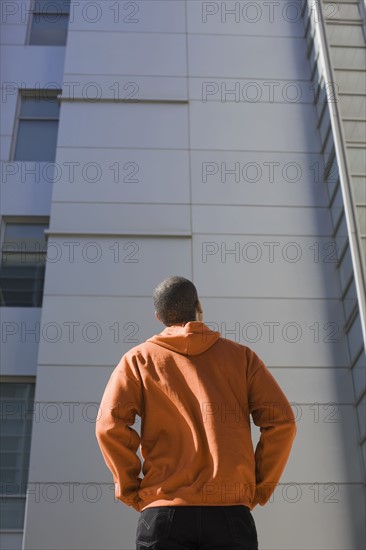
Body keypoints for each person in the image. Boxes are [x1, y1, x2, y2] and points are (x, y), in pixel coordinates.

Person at [96, 276, 297, 550]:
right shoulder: (242, 357)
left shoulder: (138, 359)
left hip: (163, 511)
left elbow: (109, 426)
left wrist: (130, 489)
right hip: (230, 511)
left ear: (158, 316)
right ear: (198, 306)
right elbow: (282, 423)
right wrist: (259, 487)